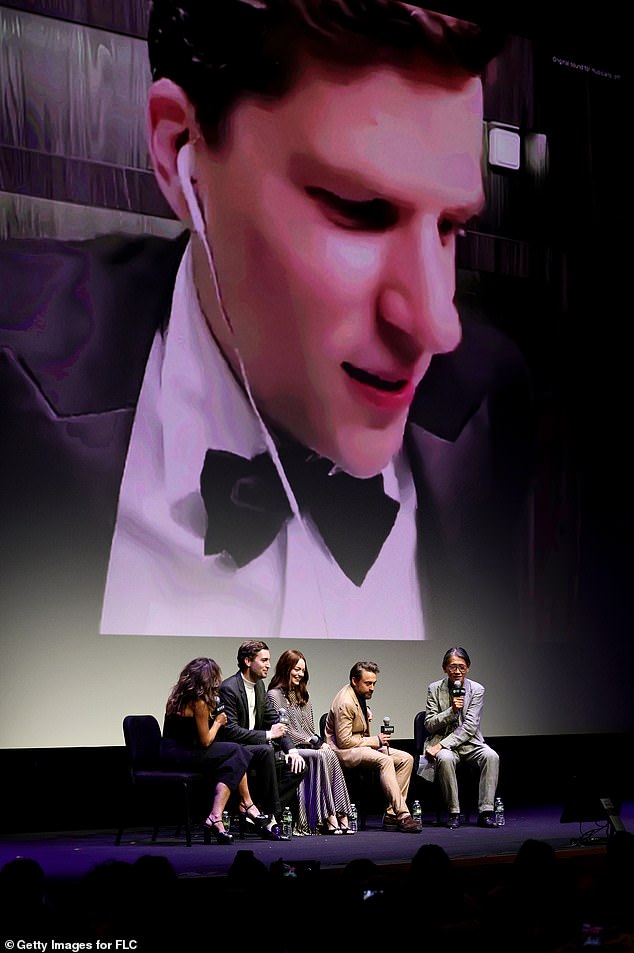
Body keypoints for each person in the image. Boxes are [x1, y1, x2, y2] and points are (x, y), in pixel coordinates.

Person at [0, 1, 532, 643]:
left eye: (450, 227)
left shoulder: (492, 402)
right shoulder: (15, 363)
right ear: (180, 155)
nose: (435, 326)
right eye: (357, 209)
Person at [161, 656, 267, 843]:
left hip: (170, 753)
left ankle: (218, 817)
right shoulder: (199, 702)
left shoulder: (176, 697)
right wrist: (217, 722)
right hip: (184, 755)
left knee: (234, 758)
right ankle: (244, 805)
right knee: (237, 752)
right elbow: (205, 741)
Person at [218, 640, 307, 839]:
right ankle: (272, 819)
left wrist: (291, 751)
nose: (268, 664)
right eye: (264, 660)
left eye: (268, 660)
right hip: (235, 750)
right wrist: (268, 735)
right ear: (248, 661)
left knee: (300, 765)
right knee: (266, 749)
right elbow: (231, 731)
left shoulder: (259, 686)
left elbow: (273, 721)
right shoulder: (230, 688)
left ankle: (259, 811)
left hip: (255, 749)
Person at [325, 661, 421, 832]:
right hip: (343, 752)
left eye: (374, 683)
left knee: (406, 759)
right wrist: (376, 740)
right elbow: (344, 742)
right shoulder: (345, 702)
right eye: (368, 683)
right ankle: (403, 815)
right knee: (385, 760)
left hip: (360, 747)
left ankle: (391, 816)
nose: (372, 688)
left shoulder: (358, 696)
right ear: (354, 681)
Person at [267, 649, 353, 834]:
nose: (300, 674)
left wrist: (317, 741)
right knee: (320, 755)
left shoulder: (303, 695)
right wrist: (311, 741)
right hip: (285, 748)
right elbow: (284, 731)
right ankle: (326, 817)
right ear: (285, 668)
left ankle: (341, 814)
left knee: (328, 753)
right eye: (296, 669)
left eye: (302, 670)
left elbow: (309, 728)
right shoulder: (274, 695)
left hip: (305, 746)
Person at [418, 646, 499, 828]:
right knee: (445, 758)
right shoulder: (434, 689)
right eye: (453, 667)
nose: (457, 671)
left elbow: (470, 726)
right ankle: (454, 812)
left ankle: (486, 812)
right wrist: (451, 711)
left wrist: (441, 746)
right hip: (442, 741)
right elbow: (429, 724)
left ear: (468, 667)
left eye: (461, 667)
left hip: (470, 742)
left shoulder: (477, 689)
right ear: (445, 668)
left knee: (492, 756)